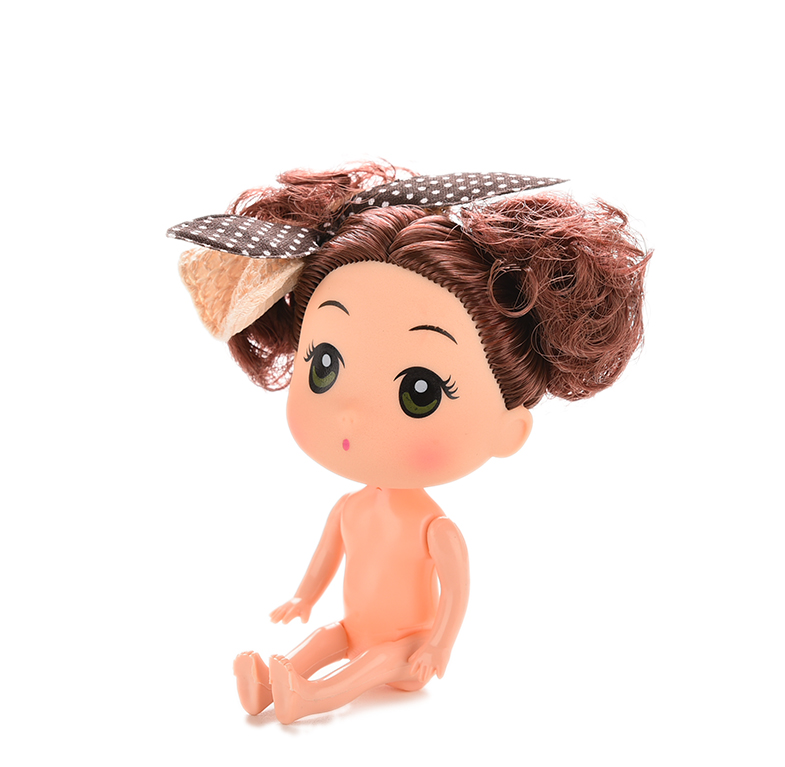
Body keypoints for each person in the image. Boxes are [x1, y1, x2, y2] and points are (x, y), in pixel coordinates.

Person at [168, 163, 650, 723]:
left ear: (509, 429)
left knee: (372, 664)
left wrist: (438, 646)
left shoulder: (435, 528)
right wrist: (303, 596)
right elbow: (326, 560)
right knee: (326, 638)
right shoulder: (349, 509)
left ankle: (311, 698)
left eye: (419, 391)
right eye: (324, 364)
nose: (352, 412)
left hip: (408, 647)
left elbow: (456, 593)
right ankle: (269, 684)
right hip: (353, 625)